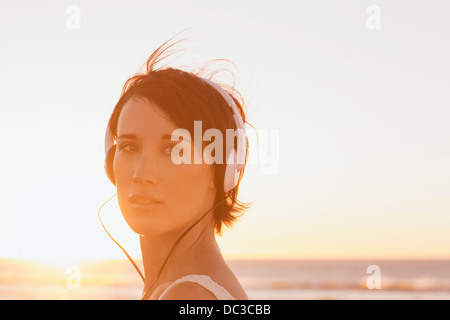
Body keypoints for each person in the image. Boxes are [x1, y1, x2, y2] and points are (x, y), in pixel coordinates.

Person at [103, 37, 252, 300]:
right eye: (128, 147)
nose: (141, 174)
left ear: (222, 169)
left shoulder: (189, 295)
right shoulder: (185, 289)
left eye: (173, 151)